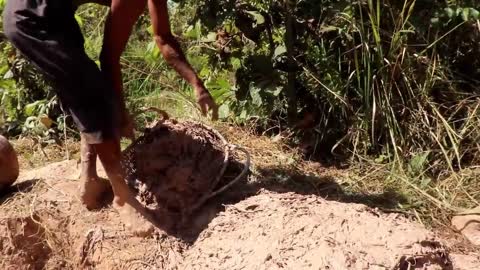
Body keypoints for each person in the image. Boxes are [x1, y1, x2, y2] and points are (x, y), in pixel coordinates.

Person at [2, 0, 218, 235]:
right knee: (92, 93)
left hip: (57, 16)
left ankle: (89, 181)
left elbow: (163, 37)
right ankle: (123, 198)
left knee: (88, 87)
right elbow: (109, 56)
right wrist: (119, 111)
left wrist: (198, 86)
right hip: (31, 20)